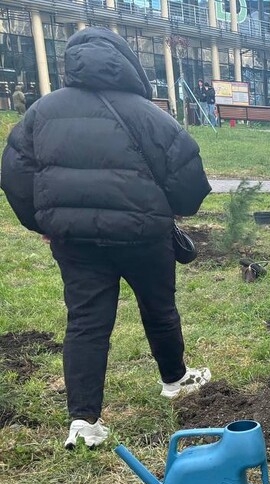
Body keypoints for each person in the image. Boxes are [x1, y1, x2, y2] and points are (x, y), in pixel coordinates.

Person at [1, 27, 213, 450]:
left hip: (75, 242)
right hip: (143, 237)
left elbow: (14, 173)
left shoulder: (41, 113)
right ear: (125, 63)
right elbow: (188, 174)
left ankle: (83, 422)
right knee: (159, 309)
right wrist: (175, 208)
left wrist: (41, 222)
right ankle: (173, 380)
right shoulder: (147, 113)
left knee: (85, 322)